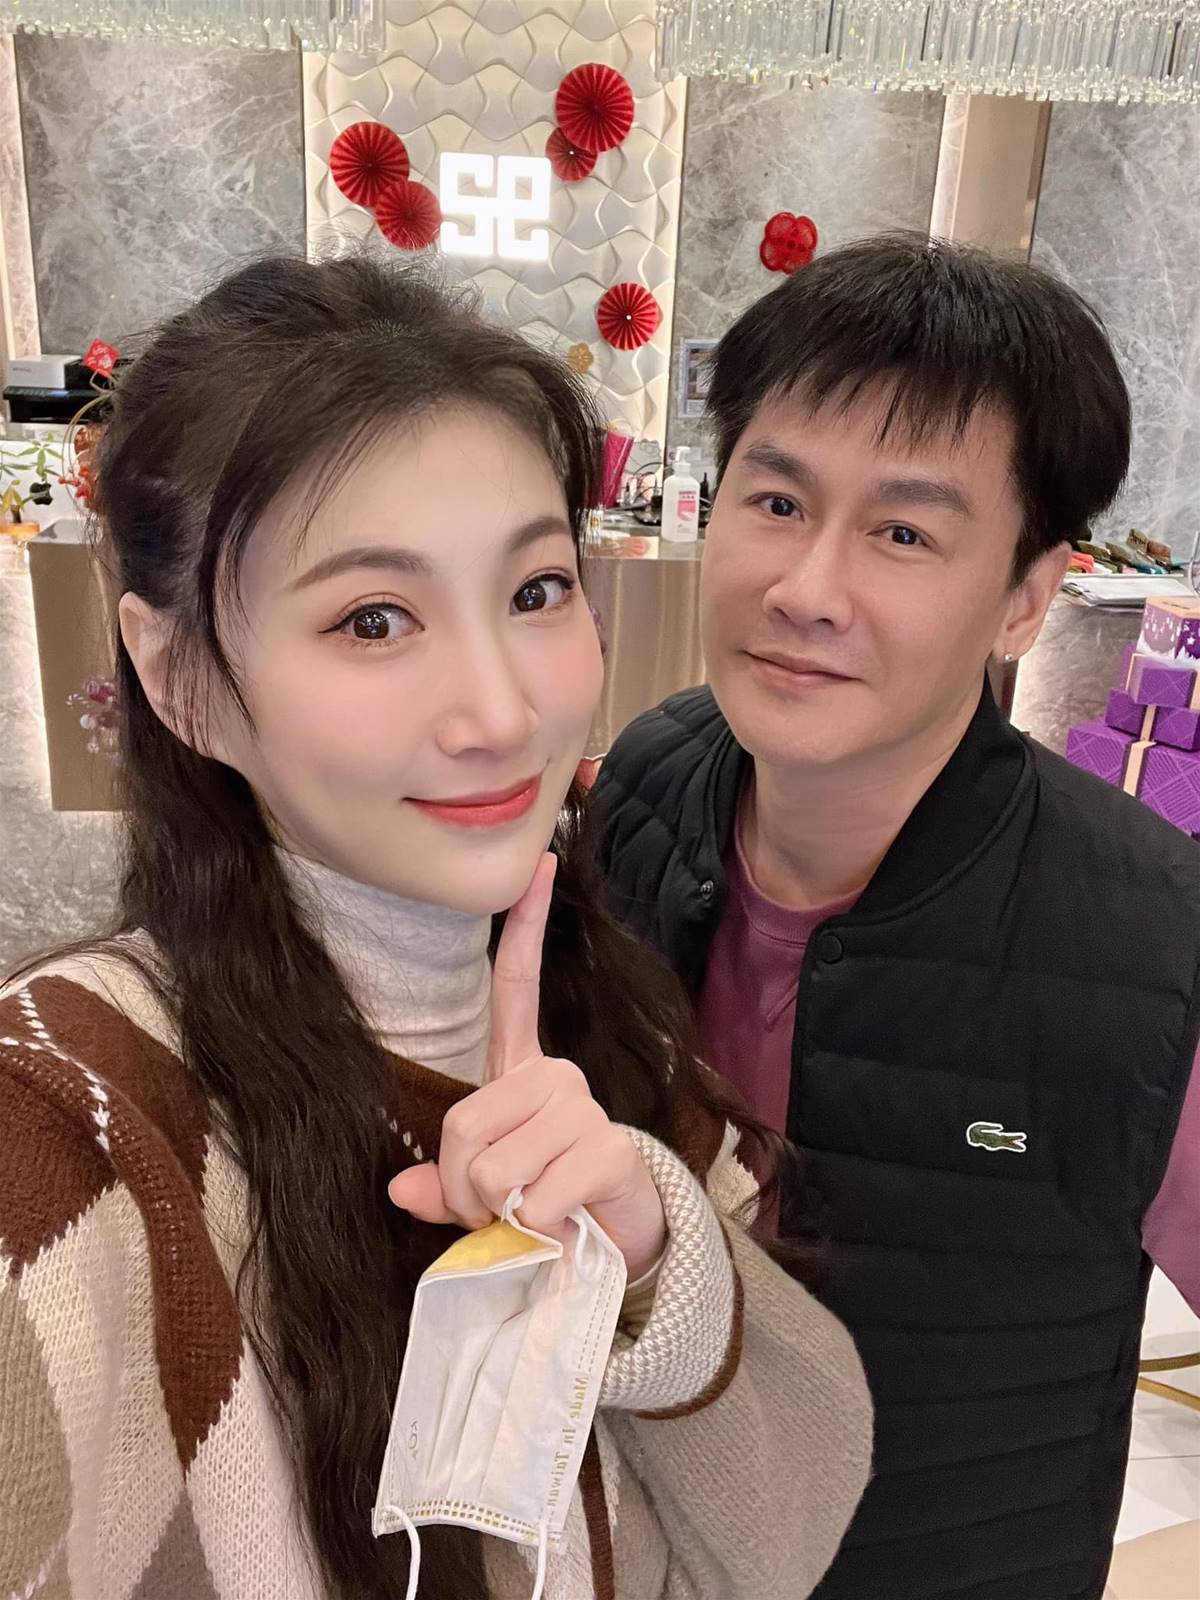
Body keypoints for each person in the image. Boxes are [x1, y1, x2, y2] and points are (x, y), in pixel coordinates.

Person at [0, 257, 871, 1600]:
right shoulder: (72, 1124)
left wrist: (653, 1260)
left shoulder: (612, 1021)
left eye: (534, 592)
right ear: (177, 680)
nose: (502, 714)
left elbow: (788, 1532)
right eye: (374, 619)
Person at [594, 234, 1200, 1600]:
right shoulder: (645, 785)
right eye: (777, 500)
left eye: (905, 533)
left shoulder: (1151, 953)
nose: (807, 590)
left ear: (1025, 600)